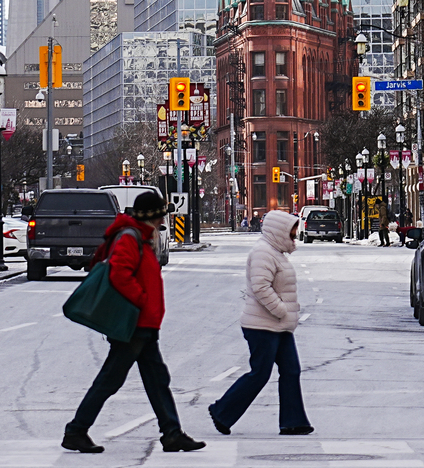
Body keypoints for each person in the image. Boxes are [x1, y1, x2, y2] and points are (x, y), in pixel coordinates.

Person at [63, 191, 205, 455]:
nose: (163, 221)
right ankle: (76, 430)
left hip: (143, 323)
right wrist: (141, 301)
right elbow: (120, 274)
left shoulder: (140, 236)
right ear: (151, 217)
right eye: (161, 216)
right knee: (111, 379)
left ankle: (172, 433)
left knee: (156, 380)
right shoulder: (130, 238)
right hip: (134, 325)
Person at [209, 210, 313, 437]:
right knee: (260, 373)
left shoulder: (276, 253)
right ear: (279, 230)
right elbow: (260, 287)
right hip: (262, 325)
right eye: (292, 231)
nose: (295, 235)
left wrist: (284, 316)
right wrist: (281, 310)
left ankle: (293, 421)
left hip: (279, 325)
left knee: (291, 370)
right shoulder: (263, 253)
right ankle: (221, 411)